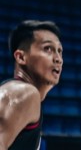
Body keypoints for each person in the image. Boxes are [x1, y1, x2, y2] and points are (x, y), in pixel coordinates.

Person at [1, 21, 62, 150]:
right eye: (48, 49)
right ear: (21, 57)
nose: (58, 59)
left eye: (59, 51)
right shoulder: (25, 93)